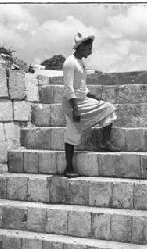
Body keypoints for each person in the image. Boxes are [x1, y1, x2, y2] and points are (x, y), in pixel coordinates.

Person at [62, 32, 121, 178]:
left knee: (108, 107)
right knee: (72, 133)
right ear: (81, 47)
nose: (91, 52)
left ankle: (105, 142)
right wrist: (75, 109)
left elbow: (81, 86)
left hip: (82, 100)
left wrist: (92, 96)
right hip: (72, 103)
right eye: (89, 49)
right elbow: (69, 88)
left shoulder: (81, 62)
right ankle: (68, 167)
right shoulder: (69, 63)